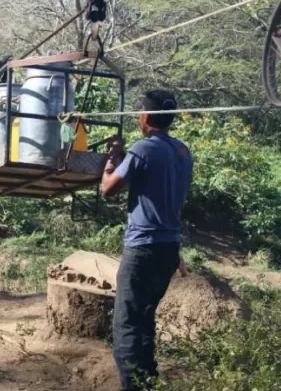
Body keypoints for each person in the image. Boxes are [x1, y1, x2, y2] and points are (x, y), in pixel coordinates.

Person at [100, 90, 193, 390]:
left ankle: (133, 386)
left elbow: (108, 189)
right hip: (168, 251)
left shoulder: (142, 150)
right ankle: (147, 384)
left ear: (144, 117)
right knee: (144, 318)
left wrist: (112, 160)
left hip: (142, 250)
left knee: (127, 325)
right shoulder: (182, 152)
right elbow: (158, 180)